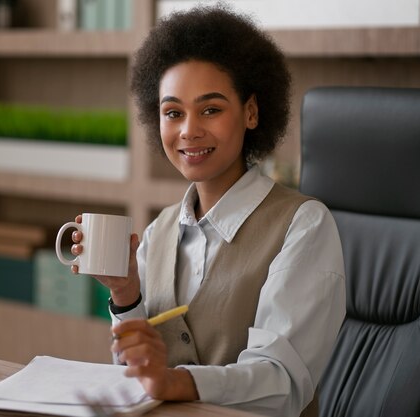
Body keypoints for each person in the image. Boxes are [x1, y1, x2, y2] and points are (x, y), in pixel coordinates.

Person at [69, 5, 345, 417]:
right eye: (173, 112)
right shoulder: (160, 229)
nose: (188, 130)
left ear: (251, 111)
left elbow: (282, 382)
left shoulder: (303, 225)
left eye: (211, 109)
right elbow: (135, 378)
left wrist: (177, 381)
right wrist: (125, 295)